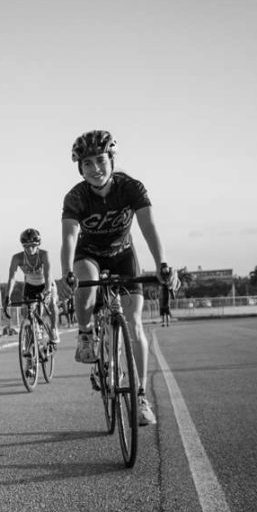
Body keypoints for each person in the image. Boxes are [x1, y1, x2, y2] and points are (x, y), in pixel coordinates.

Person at [60, 130, 177, 426]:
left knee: (134, 322)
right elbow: (70, 238)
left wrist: (162, 264)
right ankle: (86, 332)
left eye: (100, 160)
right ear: (80, 168)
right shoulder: (76, 196)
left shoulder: (131, 188)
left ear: (112, 159)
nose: (95, 168)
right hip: (90, 254)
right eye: (87, 163)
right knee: (85, 284)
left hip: (124, 253)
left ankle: (140, 396)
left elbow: (149, 228)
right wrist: (67, 273)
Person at [3, 228, 61, 343]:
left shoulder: (44, 254)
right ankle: (31, 346)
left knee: (52, 304)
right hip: (30, 285)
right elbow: (12, 278)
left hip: (46, 283)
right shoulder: (17, 258)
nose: (30, 249)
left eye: (33, 246)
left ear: (38, 245)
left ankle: (54, 329)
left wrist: (47, 291)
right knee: (28, 312)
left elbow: (48, 274)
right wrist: (7, 297)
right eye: (26, 246)